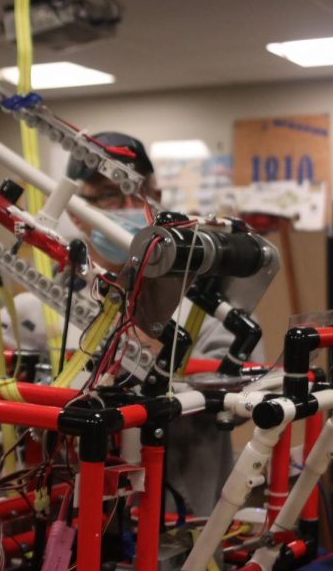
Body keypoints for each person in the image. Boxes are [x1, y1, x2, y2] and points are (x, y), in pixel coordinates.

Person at [66, 132, 265, 516]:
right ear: (76, 211)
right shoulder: (43, 305)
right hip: (74, 517)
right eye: (110, 194)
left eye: (141, 192)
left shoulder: (204, 299)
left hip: (184, 521)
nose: (130, 206)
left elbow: (245, 398)